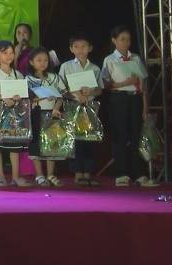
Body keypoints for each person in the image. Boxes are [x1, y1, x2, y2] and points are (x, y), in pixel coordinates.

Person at [101, 25, 158, 187]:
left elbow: (144, 84)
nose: (126, 42)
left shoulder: (136, 58)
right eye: (122, 39)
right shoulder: (109, 60)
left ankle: (139, 174)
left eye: (128, 39)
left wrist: (145, 107)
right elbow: (105, 84)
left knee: (136, 136)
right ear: (114, 40)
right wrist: (125, 83)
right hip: (118, 99)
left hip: (136, 99)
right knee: (120, 136)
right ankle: (121, 173)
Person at [0, 40, 32, 187]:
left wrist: (18, 97)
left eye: (11, 53)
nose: (9, 56)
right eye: (5, 53)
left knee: (14, 144)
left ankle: (15, 177)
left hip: (15, 112)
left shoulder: (18, 74)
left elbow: (24, 93)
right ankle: (0, 177)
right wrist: (1, 97)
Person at [58, 34, 103, 186]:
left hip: (90, 106)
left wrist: (90, 92)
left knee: (89, 138)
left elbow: (100, 89)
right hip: (73, 105)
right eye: (76, 47)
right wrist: (76, 94)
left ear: (90, 48)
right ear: (71, 49)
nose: (80, 50)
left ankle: (88, 173)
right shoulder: (66, 66)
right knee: (75, 139)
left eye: (84, 46)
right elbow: (61, 88)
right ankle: (77, 173)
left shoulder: (95, 68)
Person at [27, 47, 66, 186]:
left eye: (45, 60)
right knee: (36, 143)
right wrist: (43, 97)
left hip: (52, 113)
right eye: (39, 60)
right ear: (31, 62)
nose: (43, 63)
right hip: (36, 113)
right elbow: (27, 98)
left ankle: (50, 174)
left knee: (52, 143)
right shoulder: (28, 79)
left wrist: (56, 108)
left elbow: (61, 96)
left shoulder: (54, 77)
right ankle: (39, 175)